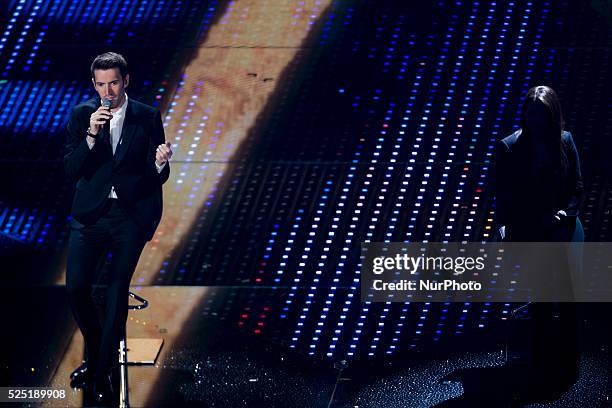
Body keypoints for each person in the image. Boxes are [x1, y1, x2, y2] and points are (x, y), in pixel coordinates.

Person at [63, 52, 172, 404]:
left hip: (130, 215)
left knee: (115, 288)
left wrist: (158, 164)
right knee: (77, 288)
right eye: (100, 84)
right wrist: (92, 135)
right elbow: (71, 170)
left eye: (113, 83)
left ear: (126, 81)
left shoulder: (146, 116)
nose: (107, 91)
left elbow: (158, 173)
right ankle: (99, 355)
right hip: (91, 214)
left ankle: (99, 374)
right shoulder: (82, 116)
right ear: (93, 85)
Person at [495, 85, 584, 400]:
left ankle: (568, 359)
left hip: (563, 227)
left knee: (570, 296)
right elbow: (506, 197)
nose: (535, 122)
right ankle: (544, 361)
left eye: (541, 116)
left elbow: (576, 187)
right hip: (533, 229)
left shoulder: (564, 140)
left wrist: (563, 215)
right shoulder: (509, 148)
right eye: (532, 116)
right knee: (544, 298)